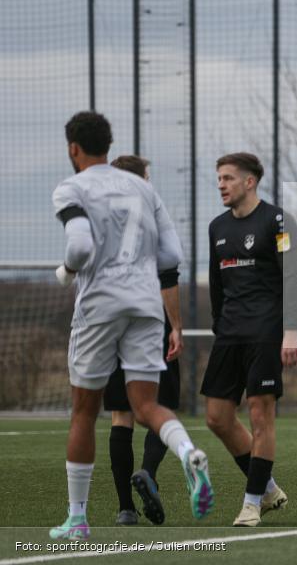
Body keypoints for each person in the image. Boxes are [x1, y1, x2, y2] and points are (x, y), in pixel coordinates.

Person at [50, 111, 213, 540]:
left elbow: (80, 245)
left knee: (85, 411)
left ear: (73, 148)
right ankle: (189, 453)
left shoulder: (72, 187)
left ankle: (78, 519)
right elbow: (170, 256)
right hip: (146, 306)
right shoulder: (143, 187)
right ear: (108, 143)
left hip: (100, 304)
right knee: (147, 407)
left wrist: (66, 271)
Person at [204, 152, 297, 527]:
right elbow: (216, 283)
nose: (221, 185)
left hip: (266, 333)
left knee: (260, 416)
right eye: (219, 180)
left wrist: (290, 330)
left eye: (228, 178)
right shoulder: (216, 227)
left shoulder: (278, 221)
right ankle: (269, 487)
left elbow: (294, 276)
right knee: (217, 418)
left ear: (249, 181)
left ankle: (251, 504)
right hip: (229, 333)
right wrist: (219, 325)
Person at [101, 155, 183, 526]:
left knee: (122, 415)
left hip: (113, 324)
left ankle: (125, 508)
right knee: (160, 407)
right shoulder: (153, 217)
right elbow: (168, 276)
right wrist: (176, 325)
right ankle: (147, 471)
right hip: (151, 322)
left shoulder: (99, 221)